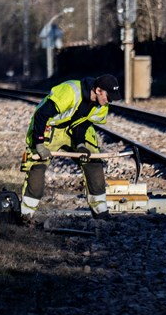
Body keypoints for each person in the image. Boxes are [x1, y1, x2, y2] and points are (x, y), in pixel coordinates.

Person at [19, 74, 121, 223]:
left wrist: (80, 145)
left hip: (72, 130)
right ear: (98, 90)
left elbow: (83, 124)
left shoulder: (101, 106)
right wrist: (39, 144)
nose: (109, 101)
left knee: (93, 162)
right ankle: (26, 215)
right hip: (49, 127)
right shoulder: (70, 91)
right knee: (37, 168)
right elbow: (42, 115)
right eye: (108, 96)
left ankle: (100, 212)